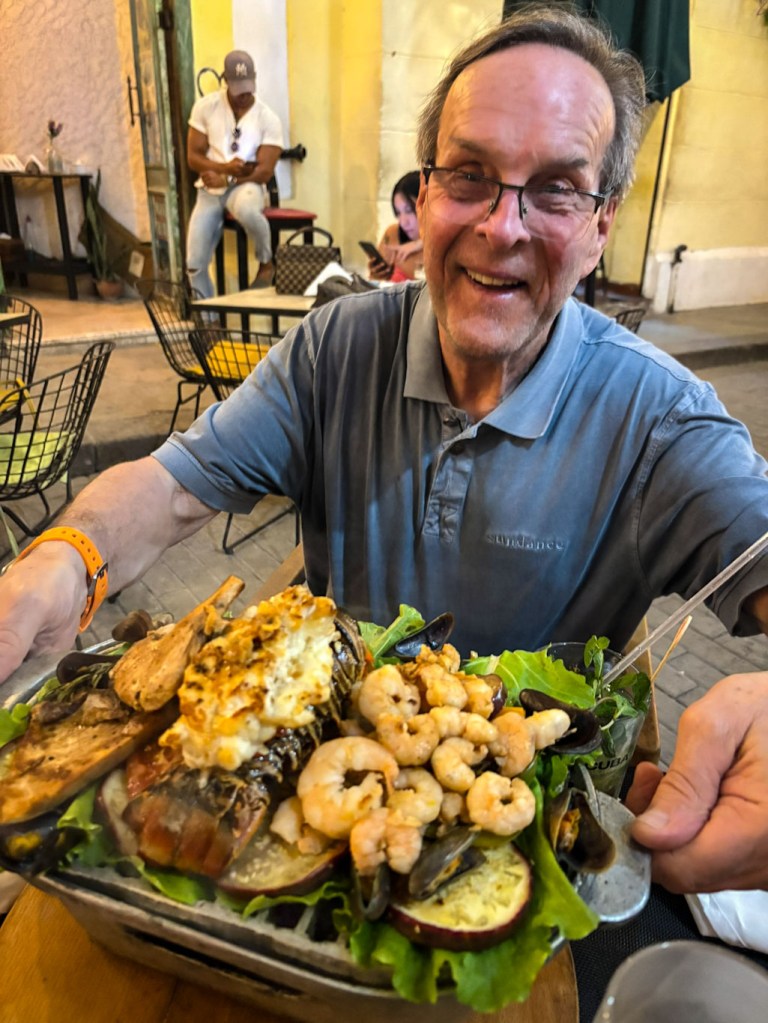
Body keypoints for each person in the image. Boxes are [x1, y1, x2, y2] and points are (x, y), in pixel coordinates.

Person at [1, 6, 767, 894]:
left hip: (503, 853)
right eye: (470, 175)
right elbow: (175, 485)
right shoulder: (337, 347)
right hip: (315, 816)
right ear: (426, 190)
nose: (502, 226)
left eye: (556, 188)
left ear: (602, 223)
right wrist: (66, 562)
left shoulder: (661, 415)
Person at [186, 49, 284, 297]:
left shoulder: (268, 118)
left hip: (245, 186)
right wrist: (222, 170)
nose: (244, 94)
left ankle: (266, 261)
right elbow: (193, 158)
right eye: (238, 87)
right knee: (194, 264)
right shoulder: (206, 108)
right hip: (209, 191)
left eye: (249, 86)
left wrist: (228, 178)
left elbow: (263, 171)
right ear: (226, 81)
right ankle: (209, 326)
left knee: (248, 210)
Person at [368, 171, 424, 282]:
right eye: (398, 213)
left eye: (409, 211)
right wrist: (376, 275)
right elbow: (376, 284)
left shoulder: (444, 243)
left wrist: (421, 243)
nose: (403, 222)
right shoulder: (392, 234)